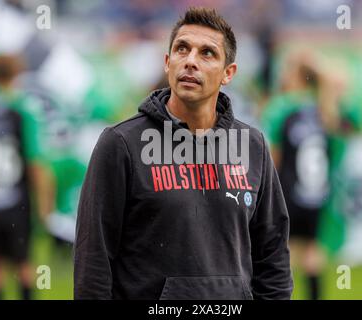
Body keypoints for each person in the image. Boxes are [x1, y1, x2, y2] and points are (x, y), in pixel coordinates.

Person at [74, 7, 293, 300]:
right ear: (167, 62)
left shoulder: (252, 146)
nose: (191, 61)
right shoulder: (121, 144)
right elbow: (93, 261)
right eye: (182, 49)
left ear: (229, 73)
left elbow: (273, 256)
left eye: (207, 53)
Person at [0, 54, 53, 300]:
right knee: (24, 263)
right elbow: (35, 161)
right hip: (17, 200)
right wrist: (45, 203)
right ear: (17, 73)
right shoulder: (23, 109)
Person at [261, 51, 337, 300]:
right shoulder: (322, 109)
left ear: (295, 75)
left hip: (287, 192)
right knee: (313, 252)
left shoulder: (281, 108)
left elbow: (272, 156)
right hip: (317, 192)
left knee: (281, 254)